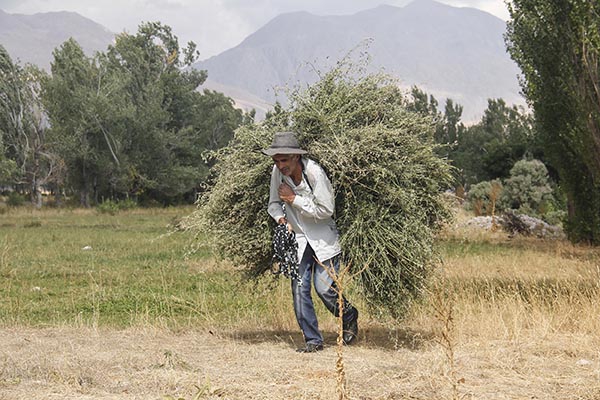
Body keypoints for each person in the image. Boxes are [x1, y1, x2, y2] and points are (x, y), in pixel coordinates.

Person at [263, 131, 359, 353]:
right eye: (276, 160)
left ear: (296, 157)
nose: (279, 165)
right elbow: (273, 203)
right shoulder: (277, 173)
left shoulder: (315, 173)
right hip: (298, 239)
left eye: (284, 160)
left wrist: (294, 200)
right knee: (299, 288)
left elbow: (326, 210)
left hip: (324, 238)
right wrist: (282, 218)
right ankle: (313, 340)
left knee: (324, 289)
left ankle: (349, 315)